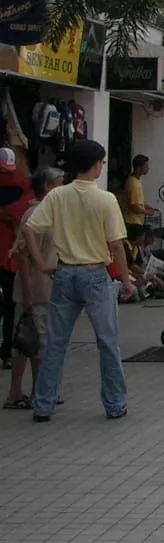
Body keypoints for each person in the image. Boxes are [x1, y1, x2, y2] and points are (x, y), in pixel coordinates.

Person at [23, 139, 134, 422]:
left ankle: (43, 404)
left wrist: (41, 263)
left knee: (56, 342)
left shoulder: (57, 196)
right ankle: (114, 403)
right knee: (107, 341)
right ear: (96, 166)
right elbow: (117, 245)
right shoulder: (106, 199)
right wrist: (127, 280)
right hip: (95, 274)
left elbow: (30, 229)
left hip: (63, 272)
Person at [4, 167, 62, 410]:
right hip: (35, 289)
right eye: (59, 183)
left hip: (45, 289)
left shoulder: (50, 212)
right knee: (34, 340)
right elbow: (22, 255)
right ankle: (36, 391)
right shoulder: (35, 214)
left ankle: (30, 390)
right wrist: (27, 290)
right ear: (48, 187)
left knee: (32, 340)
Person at [0, 146, 32, 371]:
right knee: (10, 306)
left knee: (10, 307)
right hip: (9, 257)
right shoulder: (22, 185)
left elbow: (18, 216)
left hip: (10, 256)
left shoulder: (23, 186)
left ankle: (6, 352)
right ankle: (6, 353)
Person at [123, 154, 153, 241]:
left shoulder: (135, 181)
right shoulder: (134, 183)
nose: (147, 168)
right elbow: (134, 206)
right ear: (138, 167)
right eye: (146, 166)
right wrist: (147, 212)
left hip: (134, 221)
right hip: (132, 222)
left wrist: (144, 205)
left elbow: (136, 202)